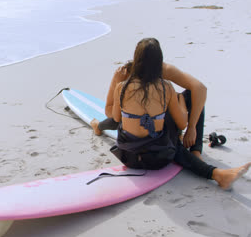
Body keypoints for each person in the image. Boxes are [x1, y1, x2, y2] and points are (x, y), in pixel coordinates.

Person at [105, 37, 250, 190]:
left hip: (129, 155)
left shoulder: (128, 83)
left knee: (185, 100)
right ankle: (215, 172)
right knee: (164, 130)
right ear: (159, 59)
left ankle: (196, 152)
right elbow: (181, 123)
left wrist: (192, 127)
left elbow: (114, 117)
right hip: (156, 152)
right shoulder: (158, 85)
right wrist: (178, 101)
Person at [91, 60, 206, 160]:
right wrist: (125, 107)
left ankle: (195, 149)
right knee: (127, 116)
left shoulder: (163, 70)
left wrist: (191, 128)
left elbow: (200, 88)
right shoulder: (123, 74)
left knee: (195, 97)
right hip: (137, 120)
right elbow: (109, 112)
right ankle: (98, 126)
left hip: (164, 114)